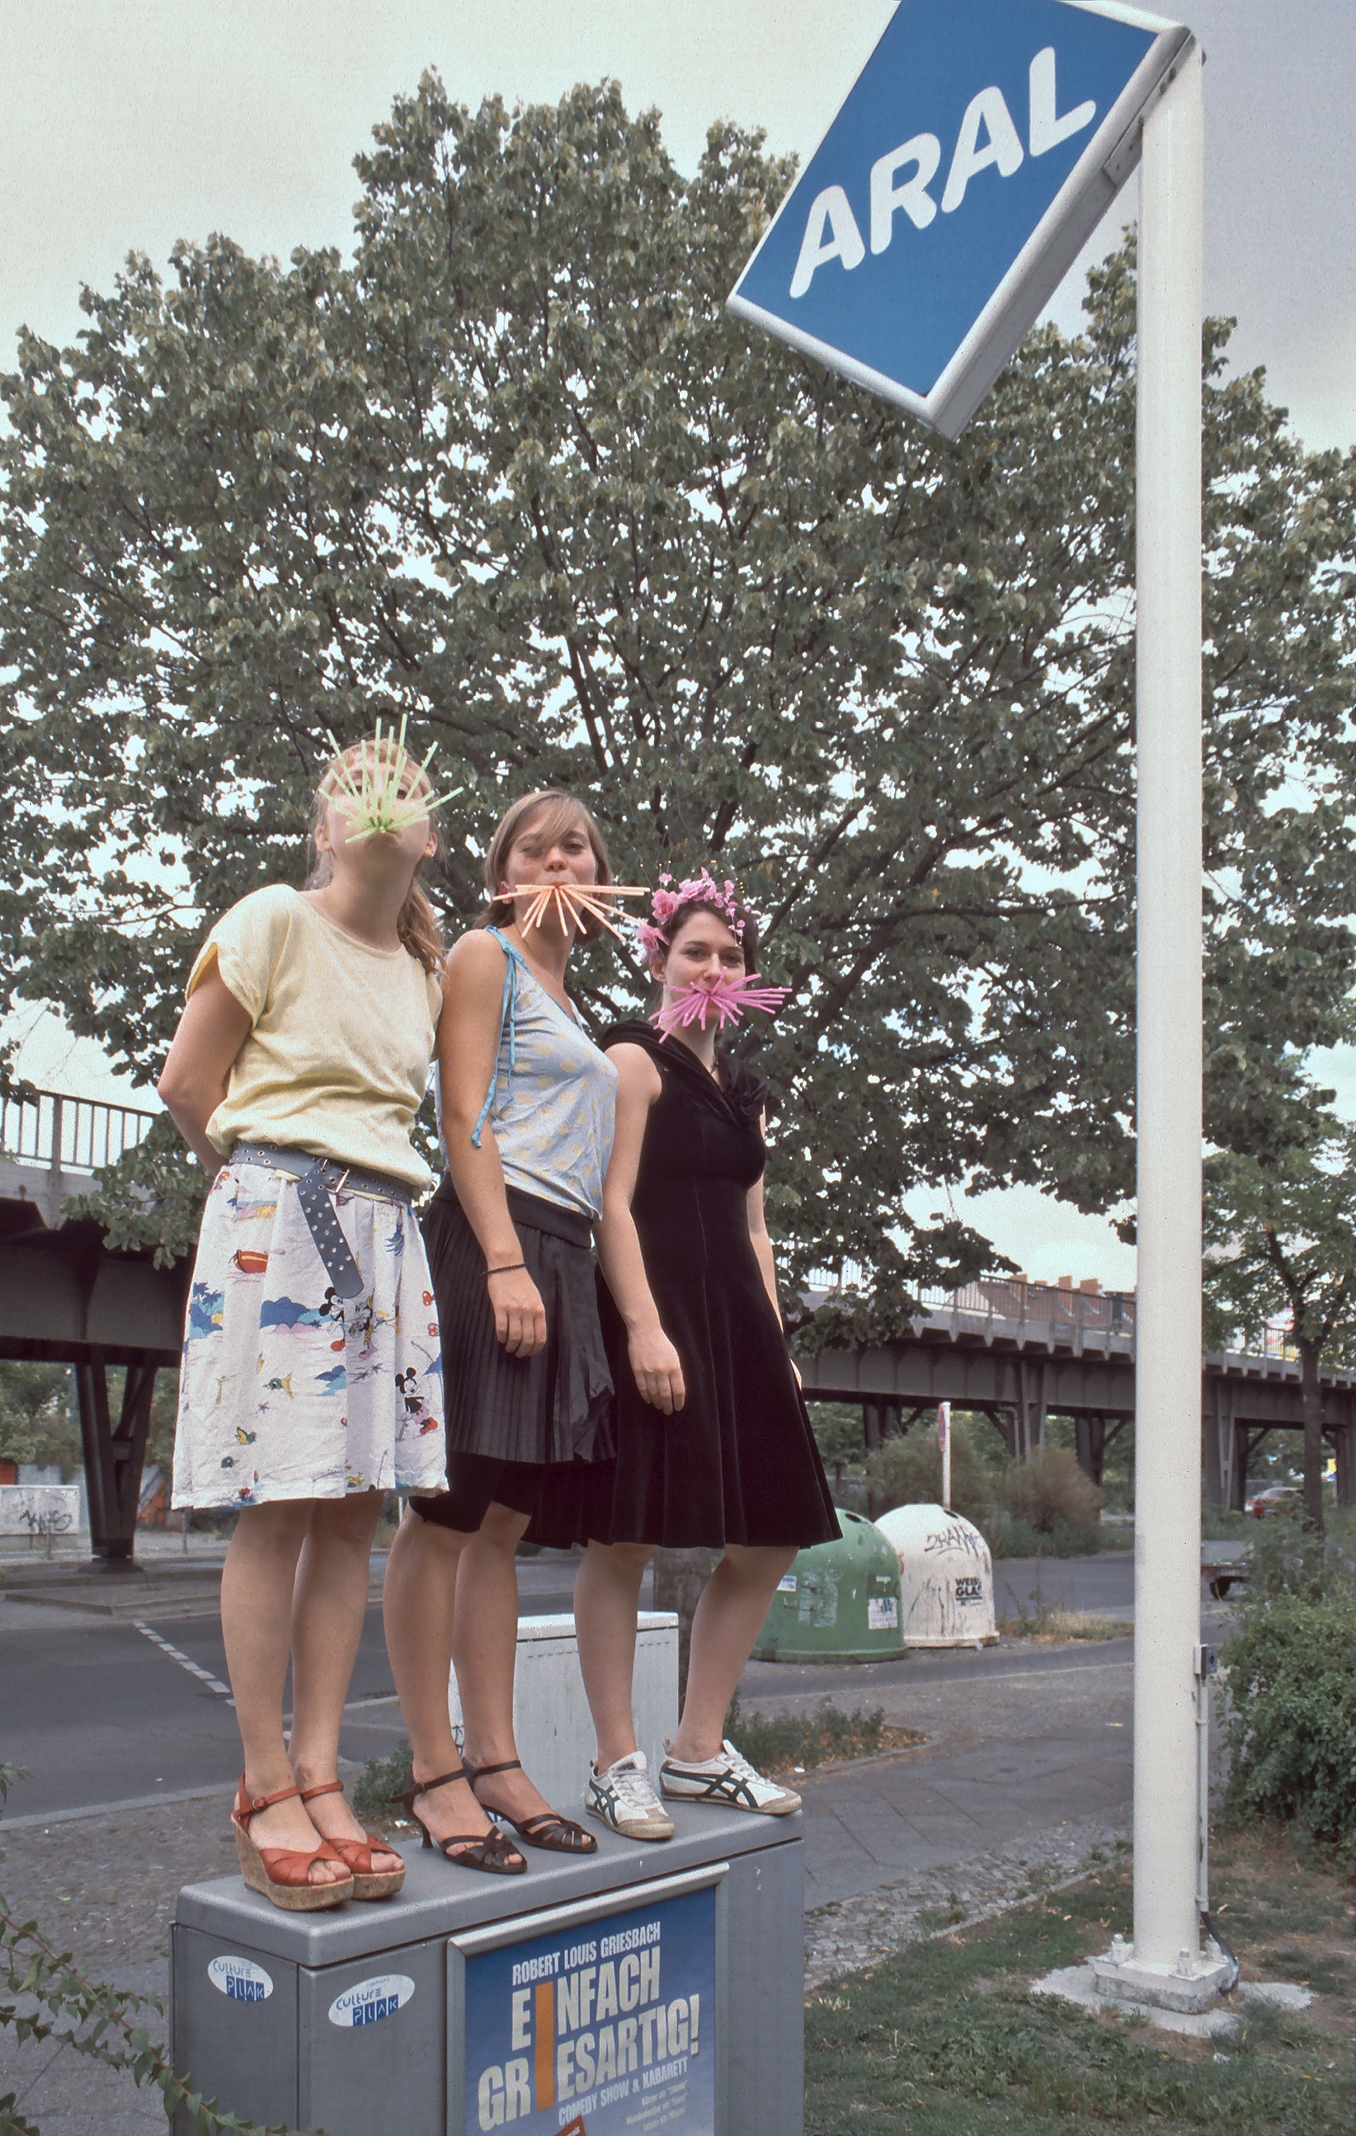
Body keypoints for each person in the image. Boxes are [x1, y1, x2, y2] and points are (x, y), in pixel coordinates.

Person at [159, 728, 449, 1911]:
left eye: (409, 790)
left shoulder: (425, 973)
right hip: (280, 1208)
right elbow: (189, 1083)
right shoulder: (275, 916)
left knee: (348, 1518)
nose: (384, 803)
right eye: (357, 790)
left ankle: (325, 1777)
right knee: (277, 1509)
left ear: (429, 837)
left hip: (388, 1227)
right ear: (325, 828)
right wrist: (253, 1204)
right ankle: (264, 1781)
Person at [540, 871, 839, 1839]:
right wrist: (642, 1328)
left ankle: (698, 1748)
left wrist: (777, 1341)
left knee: (776, 1527)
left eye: (730, 954)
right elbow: (608, 1203)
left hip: (738, 1324)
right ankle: (616, 1761)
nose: (713, 967)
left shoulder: (746, 1096)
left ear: (748, 974)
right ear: (660, 960)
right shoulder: (632, 1061)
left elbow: (756, 1230)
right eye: (695, 951)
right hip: (655, 1313)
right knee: (625, 1536)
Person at [382, 791, 620, 1874]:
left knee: (503, 1526)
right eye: (539, 846)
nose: (560, 858)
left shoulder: (576, 999)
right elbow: (462, 1112)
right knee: (448, 1509)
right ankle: (434, 1771)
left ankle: (498, 1760)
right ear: (505, 872)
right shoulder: (487, 956)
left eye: (577, 845)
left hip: (564, 1250)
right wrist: (503, 1259)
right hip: (499, 1238)